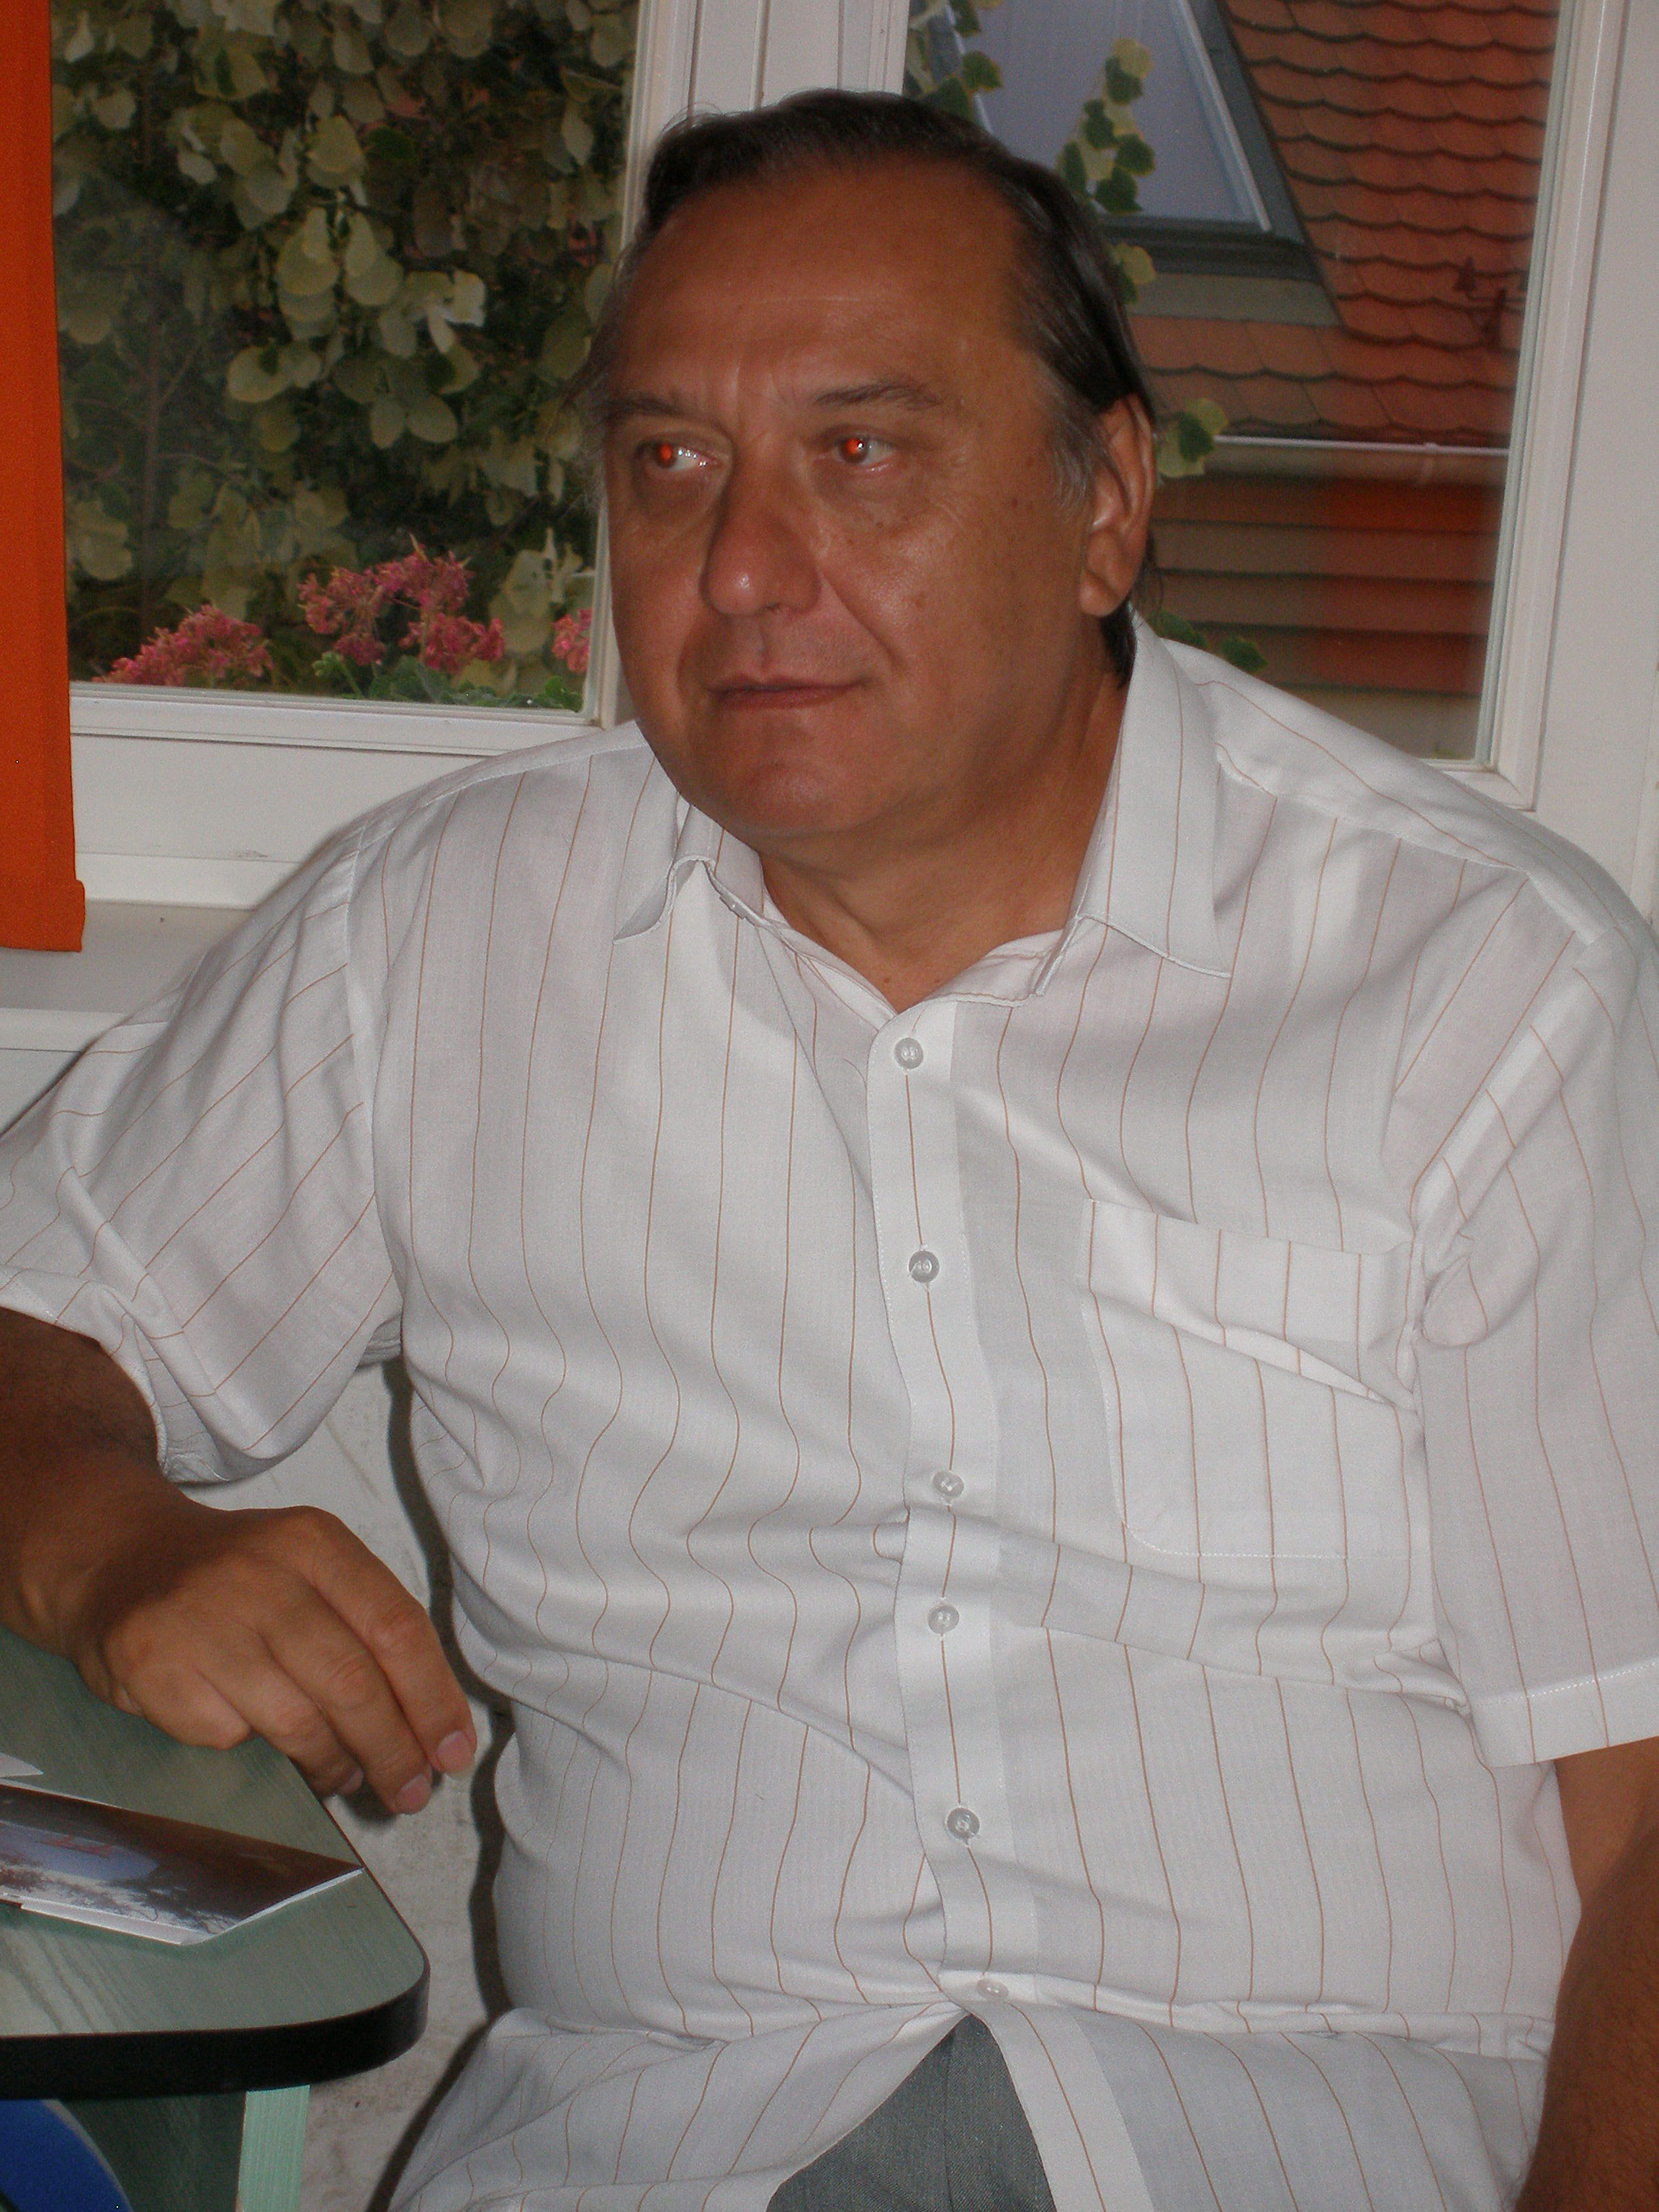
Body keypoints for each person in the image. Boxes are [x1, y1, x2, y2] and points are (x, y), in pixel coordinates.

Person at [2, 89, 1658, 2212]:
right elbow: (34, 1311)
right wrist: (107, 1540)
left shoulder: (1484, 985)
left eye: (862, 452)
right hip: (657, 2145)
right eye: (669, 464)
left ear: (1105, 506)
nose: (742, 569)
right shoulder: (437, 935)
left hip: (1327, 2141)